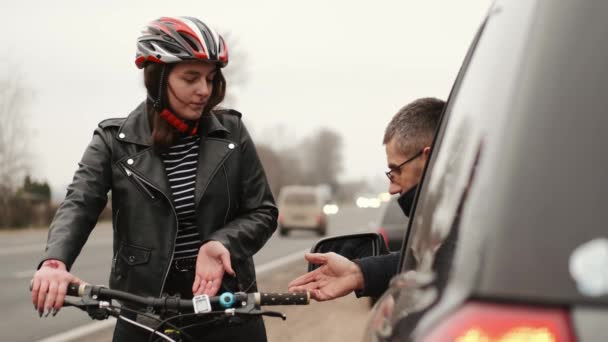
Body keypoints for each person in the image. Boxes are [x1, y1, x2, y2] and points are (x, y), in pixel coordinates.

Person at [30, 16, 277, 341]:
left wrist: (221, 243)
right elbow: (79, 203)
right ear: (158, 78)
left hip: (229, 312)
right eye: (191, 78)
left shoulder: (231, 133)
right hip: (143, 317)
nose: (203, 90)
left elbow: (263, 211)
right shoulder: (113, 140)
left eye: (210, 78)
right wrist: (55, 262)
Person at [288, 97, 444, 301]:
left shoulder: (473, 217)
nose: (392, 188)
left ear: (429, 159)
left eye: (396, 170)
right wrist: (358, 273)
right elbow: (429, 263)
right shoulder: (457, 212)